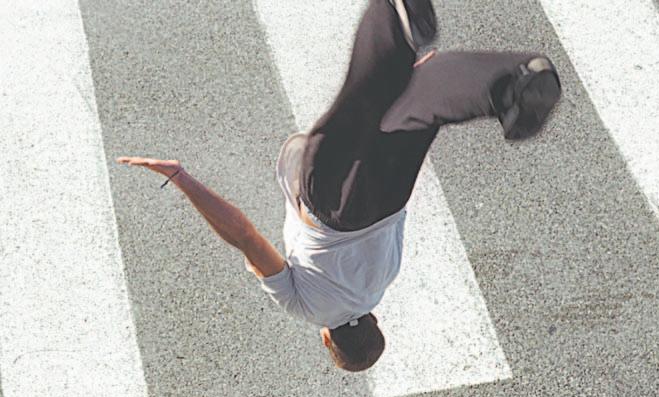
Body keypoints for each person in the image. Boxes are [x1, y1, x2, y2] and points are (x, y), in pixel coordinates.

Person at [118, 0, 561, 372]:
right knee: (357, 103)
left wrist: (413, 95)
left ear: (374, 321)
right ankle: (392, 18)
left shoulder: (383, 280)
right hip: (331, 206)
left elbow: (392, 214)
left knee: (421, 104)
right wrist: (181, 177)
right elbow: (245, 236)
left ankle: (510, 83)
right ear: (328, 340)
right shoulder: (307, 308)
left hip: (393, 194)